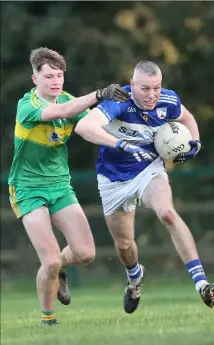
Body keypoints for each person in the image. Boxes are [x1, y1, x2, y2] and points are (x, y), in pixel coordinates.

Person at [74, 60, 214, 313]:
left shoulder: (168, 100)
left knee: (167, 213)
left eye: (156, 87)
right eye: (144, 88)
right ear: (132, 85)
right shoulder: (118, 100)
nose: (152, 95)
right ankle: (134, 277)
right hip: (112, 178)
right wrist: (121, 144)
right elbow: (83, 127)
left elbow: (188, 118)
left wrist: (194, 142)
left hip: (148, 169)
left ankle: (202, 284)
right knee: (124, 245)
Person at [8, 46, 131, 326]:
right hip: (27, 189)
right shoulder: (27, 106)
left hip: (60, 187)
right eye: (49, 76)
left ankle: (59, 271)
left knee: (86, 253)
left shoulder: (70, 101)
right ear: (34, 79)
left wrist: (126, 137)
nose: (55, 81)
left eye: (59, 75)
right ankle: (48, 320)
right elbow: (61, 110)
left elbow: (90, 126)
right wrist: (99, 94)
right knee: (49, 259)